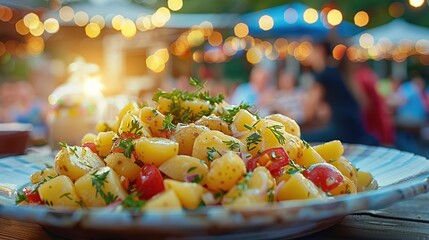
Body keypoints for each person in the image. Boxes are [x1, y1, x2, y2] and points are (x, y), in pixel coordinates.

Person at [301, 41, 378, 145]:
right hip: (357, 129)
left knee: (299, 140)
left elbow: (308, 113)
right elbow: (362, 103)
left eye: (308, 50)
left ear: (320, 50)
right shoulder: (337, 72)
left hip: (343, 131)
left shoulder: (325, 75)